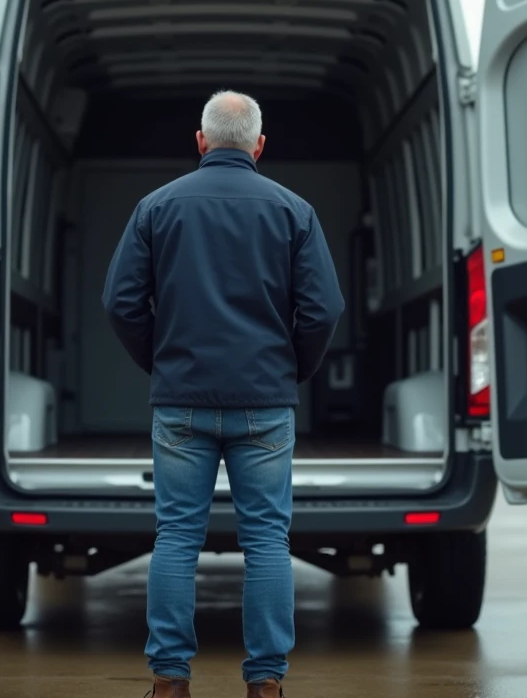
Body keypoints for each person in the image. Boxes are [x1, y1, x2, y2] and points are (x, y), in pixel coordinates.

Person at [102, 90, 345, 698]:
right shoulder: (295, 211)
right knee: (266, 538)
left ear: (201, 141)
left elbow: (119, 302)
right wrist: (293, 371)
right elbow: (324, 309)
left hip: (180, 398)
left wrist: (159, 361)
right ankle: (265, 683)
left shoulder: (155, 208)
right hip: (265, 401)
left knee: (176, 536)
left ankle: (169, 681)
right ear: (259, 146)